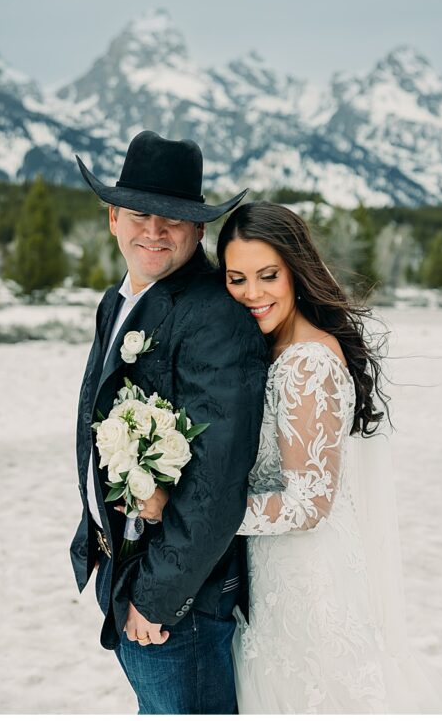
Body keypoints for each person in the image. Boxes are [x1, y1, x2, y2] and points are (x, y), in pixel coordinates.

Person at [139, 202, 442, 713]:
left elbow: (309, 504)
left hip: (312, 584)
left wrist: (188, 511)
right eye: (237, 278)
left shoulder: (307, 363)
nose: (252, 294)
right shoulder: (273, 352)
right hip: (273, 579)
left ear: (296, 272)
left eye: (268, 276)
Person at [69, 131, 269, 713]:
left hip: (178, 596)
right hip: (121, 567)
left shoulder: (215, 316)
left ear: (199, 229)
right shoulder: (118, 300)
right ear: (113, 218)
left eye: (174, 219)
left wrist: (158, 597)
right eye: (139, 214)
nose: (154, 231)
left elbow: (218, 480)